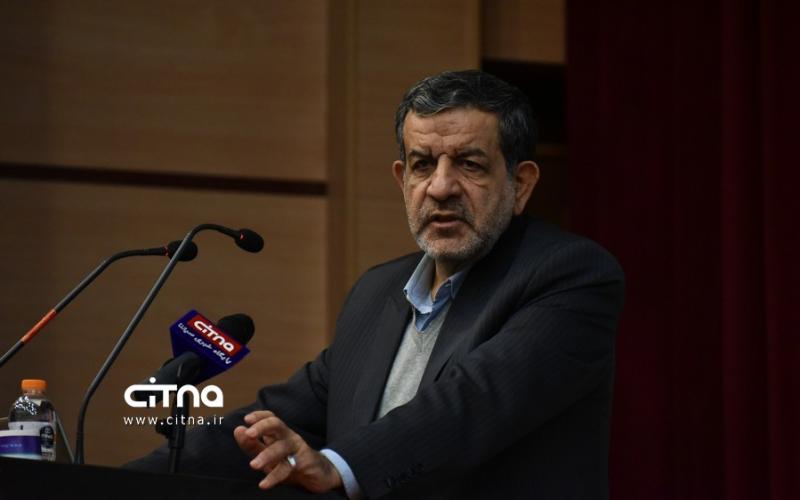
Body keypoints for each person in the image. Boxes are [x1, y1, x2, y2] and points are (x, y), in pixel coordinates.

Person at [126, 70, 625, 499]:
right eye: (423, 164)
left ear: (522, 184)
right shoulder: (377, 291)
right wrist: (111, 483)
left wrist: (337, 465)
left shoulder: (570, 275)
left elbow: (470, 404)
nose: (441, 187)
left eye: (469, 164)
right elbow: (272, 422)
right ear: (402, 179)